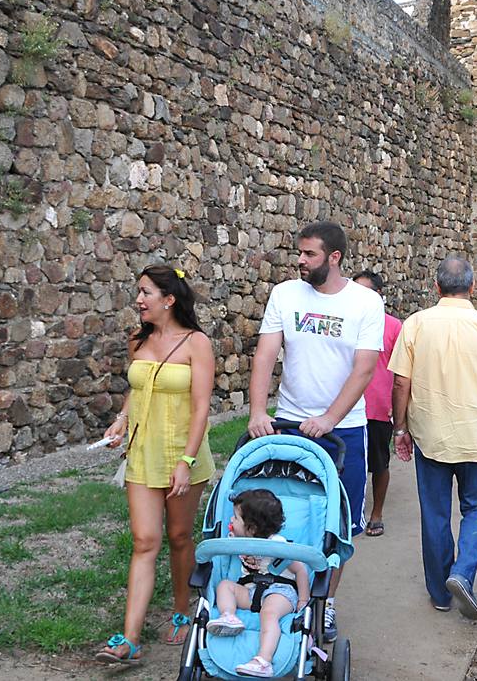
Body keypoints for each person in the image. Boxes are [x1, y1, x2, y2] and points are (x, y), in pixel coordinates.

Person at [248, 221, 384, 642]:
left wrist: (329, 418)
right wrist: (257, 410)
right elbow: (267, 352)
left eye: (309, 255)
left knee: (337, 523)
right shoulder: (285, 295)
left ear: (335, 257)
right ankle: (281, 590)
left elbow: (364, 368)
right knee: (286, 511)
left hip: (344, 430)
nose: (300, 261)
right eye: (300, 253)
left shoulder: (365, 302)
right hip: (289, 421)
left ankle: (325, 602)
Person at [96, 265, 217, 666]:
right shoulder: (137, 338)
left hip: (183, 454)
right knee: (144, 541)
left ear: (169, 299)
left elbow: (202, 408)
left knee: (180, 537)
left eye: (146, 293)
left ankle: (183, 607)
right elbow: (137, 387)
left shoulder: (197, 343)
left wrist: (185, 461)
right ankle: (129, 639)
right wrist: (121, 418)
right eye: (138, 292)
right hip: (143, 453)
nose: (138, 300)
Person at [389, 256, 477, 619]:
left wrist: (399, 428)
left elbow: (401, 381)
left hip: (430, 435)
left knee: (434, 513)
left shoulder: (415, 325)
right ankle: (463, 573)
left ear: (436, 287)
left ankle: (440, 593)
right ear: (473, 287)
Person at [208, 489, 311, 678]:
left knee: (269, 613)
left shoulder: (277, 545)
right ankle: (228, 616)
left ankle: (264, 660)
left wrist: (303, 600)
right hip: (251, 590)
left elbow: (300, 570)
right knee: (224, 585)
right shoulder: (237, 539)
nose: (231, 521)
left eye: (236, 518)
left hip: (280, 591)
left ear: (252, 528)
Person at [352, 270, 402, 537]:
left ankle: (376, 513)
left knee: (379, 463)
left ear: (378, 296)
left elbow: (403, 372)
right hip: (345, 407)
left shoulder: (393, 327)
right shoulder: (345, 320)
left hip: (378, 407)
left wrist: (400, 408)